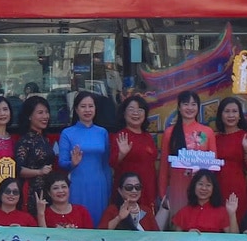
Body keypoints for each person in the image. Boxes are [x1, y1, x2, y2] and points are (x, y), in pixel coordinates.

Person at [55, 93, 112, 222]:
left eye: (91, 106)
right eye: (83, 106)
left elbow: (106, 165)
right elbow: (62, 163)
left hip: (99, 185)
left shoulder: (102, 132)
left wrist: (109, 189)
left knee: (99, 221)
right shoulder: (67, 133)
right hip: (77, 184)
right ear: (76, 109)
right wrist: (73, 164)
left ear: (95, 109)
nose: (87, 110)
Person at [158, 92, 215, 219]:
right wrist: (163, 194)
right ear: (179, 107)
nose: (190, 108)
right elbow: (163, 167)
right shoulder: (169, 133)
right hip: (177, 187)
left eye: (193, 104)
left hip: (202, 188)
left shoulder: (207, 132)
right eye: (186, 104)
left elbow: (213, 165)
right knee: (178, 224)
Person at [110, 96, 160, 218]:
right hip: (129, 191)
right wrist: (122, 154)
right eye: (131, 109)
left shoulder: (148, 136)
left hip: (148, 190)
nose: (135, 113)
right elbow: (112, 163)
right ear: (124, 113)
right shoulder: (120, 136)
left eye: (140, 110)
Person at [14, 96, 57, 208]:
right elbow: (19, 170)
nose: (45, 116)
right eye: (40, 112)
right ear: (29, 116)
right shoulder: (25, 141)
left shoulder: (45, 138)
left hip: (47, 190)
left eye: (47, 112)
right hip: (32, 192)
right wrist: (39, 172)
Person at [210, 96, 247, 211]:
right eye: (227, 111)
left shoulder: (245, 136)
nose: (231, 115)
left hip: (237, 186)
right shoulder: (215, 138)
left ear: (239, 115)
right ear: (221, 115)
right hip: (216, 186)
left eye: (234, 111)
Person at [172, 169, 237, 233]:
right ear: (194, 186)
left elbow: (235, 240)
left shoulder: (221, 211)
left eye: (208, 185)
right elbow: (176, 239)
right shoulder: (183, 212)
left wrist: (232, 213)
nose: (204, 188)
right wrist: (188, 235)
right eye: (200, 184)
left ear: (213, 188)